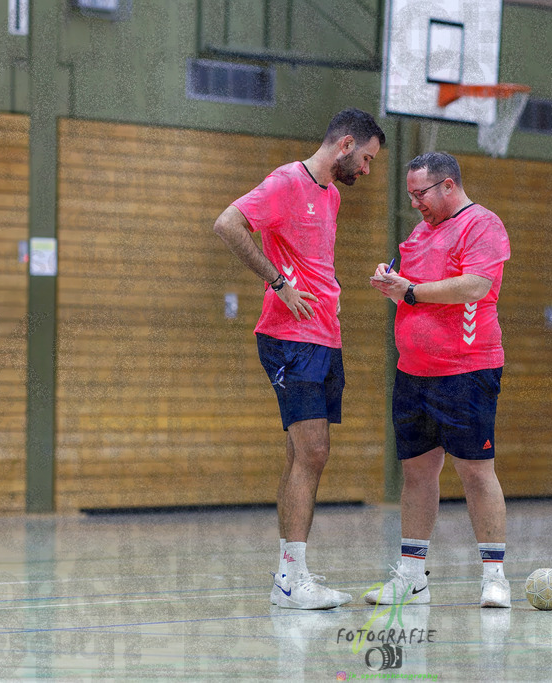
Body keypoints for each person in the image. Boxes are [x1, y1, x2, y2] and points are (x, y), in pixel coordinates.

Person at [212, 109, 385, 610]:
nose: (367, 171)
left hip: (323, 337)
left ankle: (293, 571)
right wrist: (279, 282)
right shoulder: (287, 182)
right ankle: (290, 580)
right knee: (313, 452)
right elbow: (228, 223)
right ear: (346, 144)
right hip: (292, 339)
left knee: (302, 454)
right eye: (367, 159)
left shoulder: (330, 195)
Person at [367, 151, 512, 608]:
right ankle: (412, 576)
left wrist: (410, 290)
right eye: (409, 194)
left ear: (449, 185)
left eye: (421, 193)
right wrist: (392, 283)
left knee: (475, 472)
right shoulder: (418, 233)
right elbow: (411, 294)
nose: (415, 203)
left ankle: (494, 577)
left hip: (467, 371)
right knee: (416, 474)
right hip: (414, 374)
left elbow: (475, 286)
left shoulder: (482, 225)